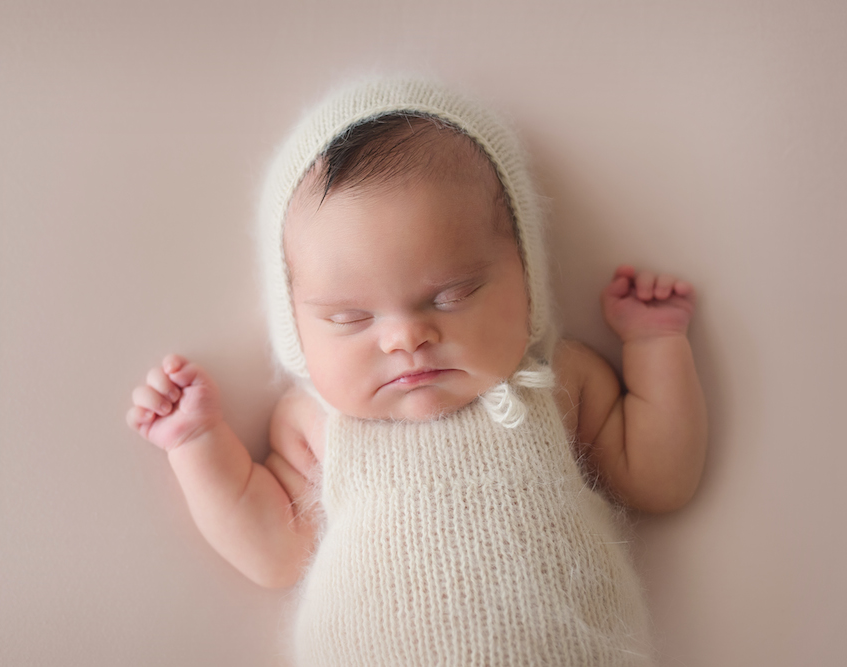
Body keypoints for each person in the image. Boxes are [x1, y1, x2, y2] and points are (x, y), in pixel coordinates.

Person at [126, 77, 707, 665]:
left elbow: (660, 478)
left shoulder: (555, 383)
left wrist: (655, 345)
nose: (405, 338)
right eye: (351, 318)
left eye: (453, 296)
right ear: (296, 328)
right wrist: (196, 443)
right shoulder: (318, 423)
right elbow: (275, 550)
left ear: (527, 281)